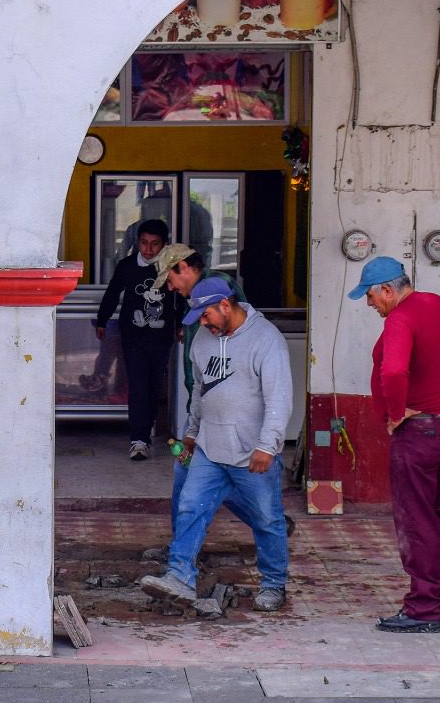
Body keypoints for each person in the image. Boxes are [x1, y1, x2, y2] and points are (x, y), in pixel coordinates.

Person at [139, 277, 292, 613]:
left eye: (206, 315)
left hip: (251, 451)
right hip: (209, 446)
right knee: (190, 507)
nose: (203, 323)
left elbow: (279, 398)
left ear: (226, 305)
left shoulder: (267, 340)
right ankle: (179, 576)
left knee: (267, 519)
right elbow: (199, 392)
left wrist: (268, 446)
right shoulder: (203, 342)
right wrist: (191, 433)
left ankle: (273, 584)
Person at [350, 255, 440, 634]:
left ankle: (423, 607)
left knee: (414, 519)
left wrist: (394, 412)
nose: (370, 304)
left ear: (388, 289)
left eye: (370, 297)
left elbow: (393, 371)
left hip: (420, 431)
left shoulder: (400, 319)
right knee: (429, 513)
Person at [149, 243, 253, 534]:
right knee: (202, 474)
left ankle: (179, 552)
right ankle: (268, 522)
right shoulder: (198, 299)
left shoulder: (216, 288)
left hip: (216, 408)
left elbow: (239, 335)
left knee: (187, 473)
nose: (170, 288)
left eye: (170, 280)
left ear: (183, 267)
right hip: (203, 408)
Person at [95, 218, 182, 460]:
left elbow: (182, 297)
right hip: (133, 337)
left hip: (162, 337)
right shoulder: (126, 266)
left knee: (154, 386)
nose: (148, 249)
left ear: (164, 245)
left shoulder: (169, 267)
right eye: (144, 243)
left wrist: (181, 324)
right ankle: (138, 440)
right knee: (138, 386)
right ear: (137, 242)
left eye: (154, 244)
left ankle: (147, 426)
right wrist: (102, 320)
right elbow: (112, 293)